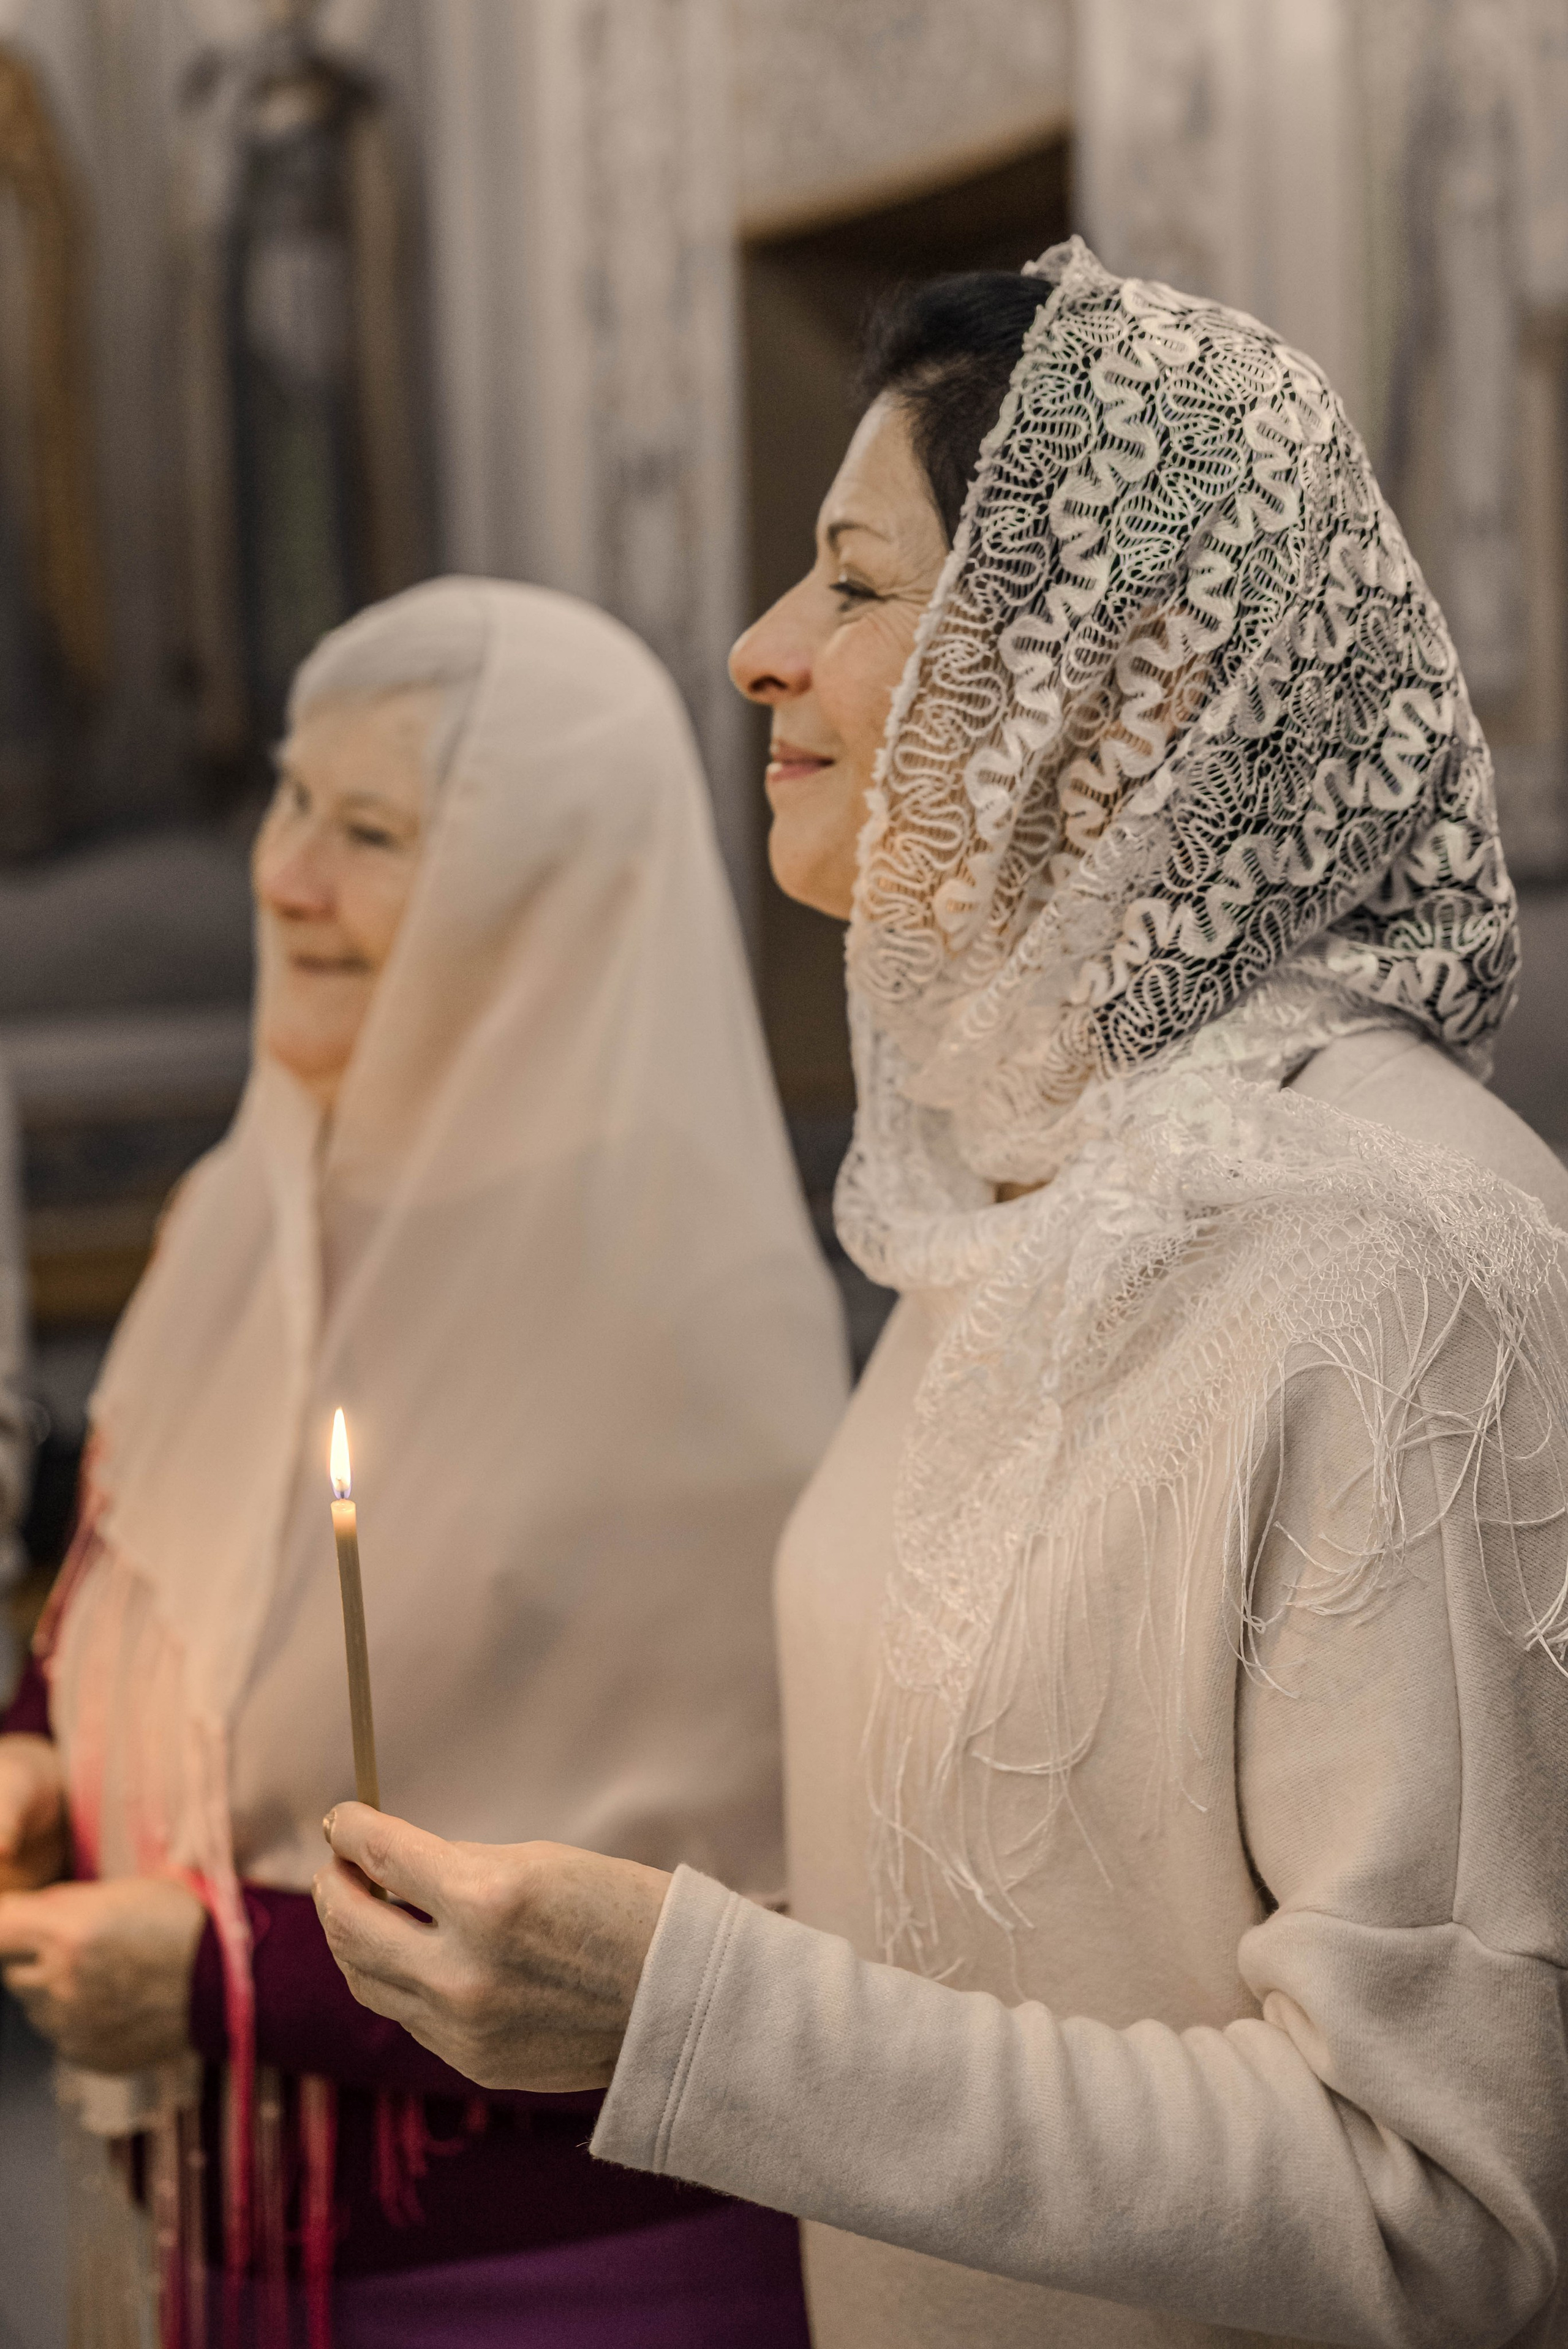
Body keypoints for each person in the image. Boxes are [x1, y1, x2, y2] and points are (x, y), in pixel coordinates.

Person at [312, 244, 1568, 2349]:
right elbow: (1053, 1924)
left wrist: (698, 2008)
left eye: (860, 586)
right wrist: (610, 1974)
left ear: (1134, 678)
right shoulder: (1031, 1195)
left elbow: (1451, 2203)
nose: (754, 648)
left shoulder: (1396, 1262)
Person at [0, 578, 846, 2344]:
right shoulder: (243, 1209)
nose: (284, 877)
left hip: (564, 2275)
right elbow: (142, 1578)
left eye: (372, 831)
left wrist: (234, 1975)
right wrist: (44, 1758)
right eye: (288, 801)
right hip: (228, 2241)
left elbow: (738, 1971)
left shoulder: (670, 1313)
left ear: (539, 902)